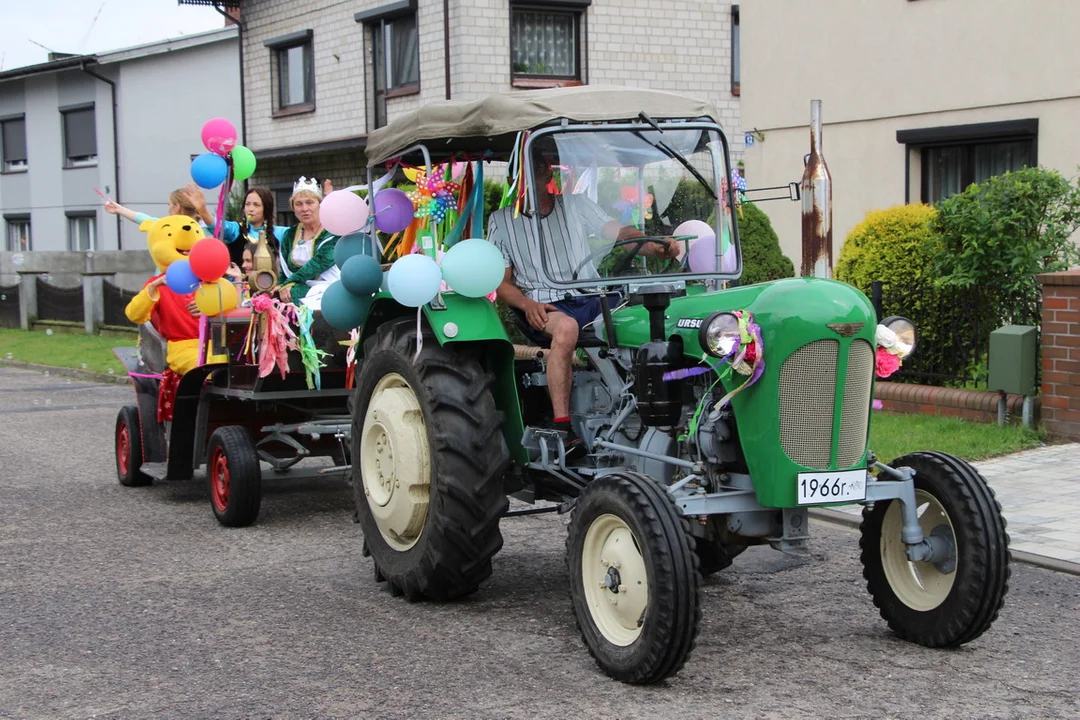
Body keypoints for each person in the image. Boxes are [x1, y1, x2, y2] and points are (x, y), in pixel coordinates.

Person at [489, 140, 678, 460]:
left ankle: (650, 410)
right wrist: (526, 304)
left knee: (650, 319)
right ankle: (564, 428)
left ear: (546, 173)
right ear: (512, 181)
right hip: (542, 303)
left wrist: (657, 245)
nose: (526, 181)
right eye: (519, 175)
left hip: (591, 296)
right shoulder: (501, 221)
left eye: (533, 171)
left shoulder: (576, 205)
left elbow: (620, 233)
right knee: (566, 330)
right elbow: (502, 283)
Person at [275, 176, 340, 310]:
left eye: (309, 202)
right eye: (299, 204)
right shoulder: (290, 234)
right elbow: (284, 270)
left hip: (328, 287)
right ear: (293, 207)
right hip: (297, 286)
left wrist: (289, 283)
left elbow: (319, 262)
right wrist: (282, 286)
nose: (304, 208)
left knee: (296, 294)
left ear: (319, 204)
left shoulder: (332, 231)